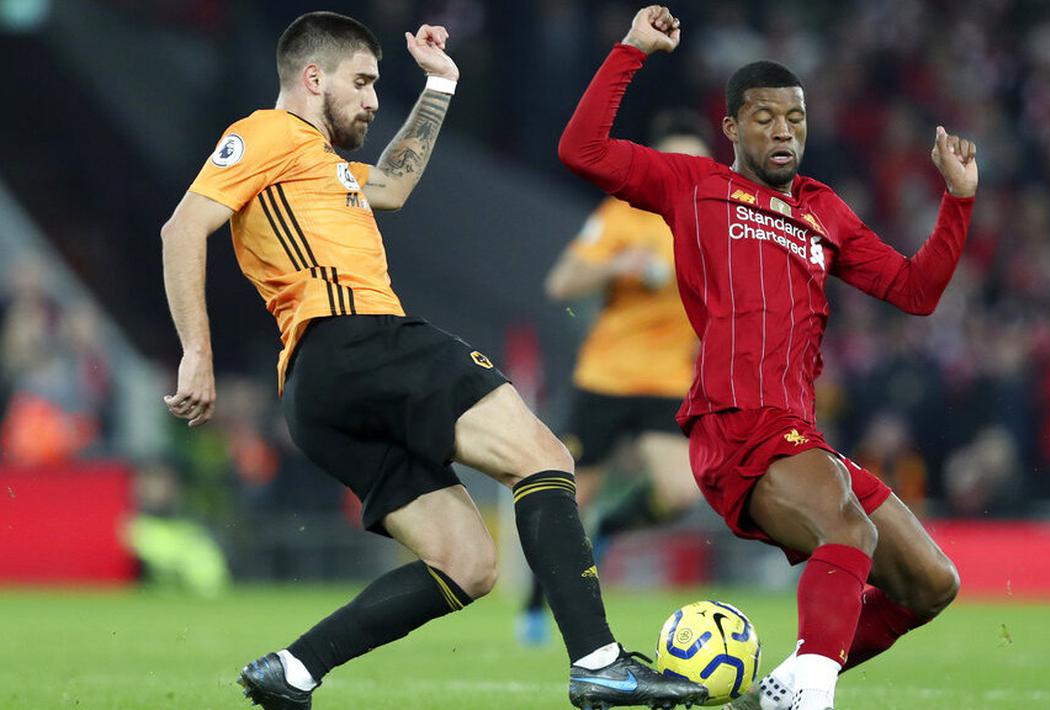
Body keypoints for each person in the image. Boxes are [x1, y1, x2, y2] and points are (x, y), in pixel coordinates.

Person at [159, 11, 705, 710]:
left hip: (317, 392)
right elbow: (183, 227)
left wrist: (439, 87)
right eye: (361, 82)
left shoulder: (324, 169)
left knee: (466, 563)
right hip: (358, 337)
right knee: (543, 458)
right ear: (312, 77)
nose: (371, 98)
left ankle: (294, 669)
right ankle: (599, 663)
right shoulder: (266, 133)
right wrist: (196, 357)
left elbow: (391, 186)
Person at [558, 6, 975, 709]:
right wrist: (632, 49)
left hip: (797, 430)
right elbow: (582, 149)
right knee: (848, 529)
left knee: (931, 584)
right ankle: (807, 696)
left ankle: (781, 689)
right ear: (730, 127)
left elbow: (913, 291)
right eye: (764, 118)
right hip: (736, 420)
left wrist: (957, 204)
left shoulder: (824, 210)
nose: (782, 132)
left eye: (795, 119)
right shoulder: (692, 185)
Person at [521, 111, 711, 645]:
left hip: (669, 381)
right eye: (673, 160)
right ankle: (536, 607)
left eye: (692, 162)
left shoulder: (715, 227)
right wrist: (619, 264)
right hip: (606, 379)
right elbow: (560, 283)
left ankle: (612, 530)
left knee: (678, 492)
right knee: (571, 500)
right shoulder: (625, 215)